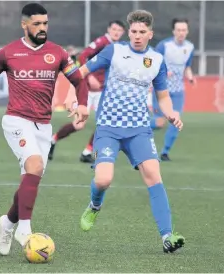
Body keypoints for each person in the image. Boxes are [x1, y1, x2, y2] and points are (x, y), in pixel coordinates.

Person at [0, 3, 89, 256]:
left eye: (45, 23)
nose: (42, 28)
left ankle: (7, 222)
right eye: (37, 24)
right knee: (35, 166)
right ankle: (24, 230)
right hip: (16, 120)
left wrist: (82, 104)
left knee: (30, 180)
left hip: (43, 125)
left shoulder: (58, 53)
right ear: (24, 24)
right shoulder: (9, 52)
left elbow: (78, 80)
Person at [75, 10, 185, 253]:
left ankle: (167, 236)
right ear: (129, 32)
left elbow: (163, 97)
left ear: (150, 34)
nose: (137, 36)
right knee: (103, 180)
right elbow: (80, 73)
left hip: (139, 131)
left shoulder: (156, 59)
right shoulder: (114, 51)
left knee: (155, 177)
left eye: (142, 32)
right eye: (133, 31)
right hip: (108, 128)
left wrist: (171, 113)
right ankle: (94, 206)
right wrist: (78, 103)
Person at [48, 20, 126, 163]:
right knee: (79, 124)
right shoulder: (102, 42)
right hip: (88, 89)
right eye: (114, 29)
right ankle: (52, 140)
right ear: (108, 29)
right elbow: (82, 57)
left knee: (104, 124)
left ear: (123, 33)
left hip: (104, 91)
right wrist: (89, 77)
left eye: (119, 30)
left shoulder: (120, 47)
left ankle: (87, 152)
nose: (116, 32)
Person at [150, 18, 196, 161]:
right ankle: (134, 127)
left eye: (183, 30)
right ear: (173, 31)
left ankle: (164, 153)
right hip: (161, 90)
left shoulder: (190, 47)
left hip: (178, 92)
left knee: (176, 120)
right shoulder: (164, 46)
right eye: (178, 30)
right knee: (159, 123)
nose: (181, 33)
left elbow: (187, 67)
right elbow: (151, 63)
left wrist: (190, 77)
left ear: (187, 31)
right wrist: (163, 72)